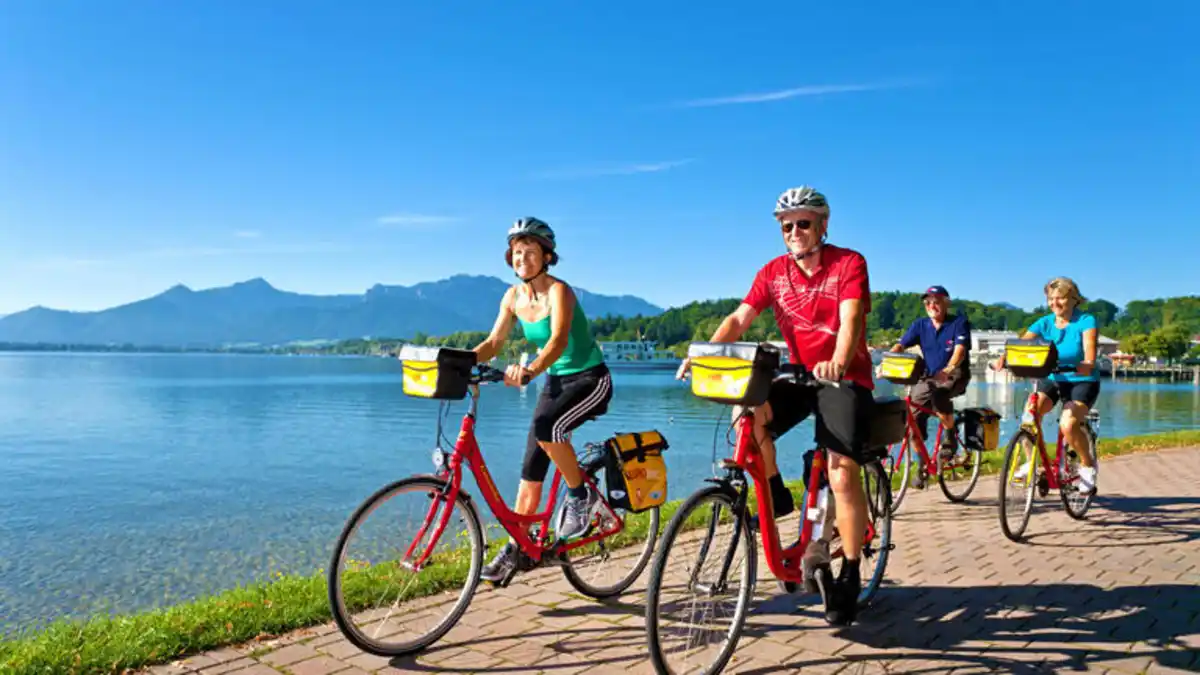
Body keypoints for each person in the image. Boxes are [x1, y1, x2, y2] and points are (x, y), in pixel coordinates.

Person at [676, 185, 874, 626]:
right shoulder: (773, 272)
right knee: (746, 412)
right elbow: (739, 318)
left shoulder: (848, 263)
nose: (795, 231)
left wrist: (839, 361)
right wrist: (705, 350)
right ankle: (776, 491)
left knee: (841, 471)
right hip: (799, 374)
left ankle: (851, 570)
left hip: (841, 377)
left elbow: (851, 318)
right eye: (787, 225)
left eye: (804, 223)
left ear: (823, 226)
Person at [472, 217, 613, 582]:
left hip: (590, 379)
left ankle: (581, 495)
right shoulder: (513, 297)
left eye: (530, 252)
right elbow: (493, 344)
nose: (523, 259)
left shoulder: (559, 292)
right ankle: (522, 545)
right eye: (517, 253)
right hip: (554, 381)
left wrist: (529, 371)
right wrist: (457, 362)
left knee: (548, 428)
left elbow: (558, 342)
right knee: (531, 465)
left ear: (547, 256)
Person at [991, 276, 1099, 494]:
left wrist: (1087, 364)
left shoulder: (1086, 320)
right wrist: (1005, 357)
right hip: (1051, 378)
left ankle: (1088, 465)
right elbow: (1021, 344)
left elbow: (1090, 350)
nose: (1055, 303)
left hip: (1081, 380)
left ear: (1073, 299)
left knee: (1068, 425)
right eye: (1051, 299)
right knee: (1029, 418)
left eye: (1060, 298)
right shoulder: (1044, 322)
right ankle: (1034, 464)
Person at [889, 285, 972, 461]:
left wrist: (948, 369)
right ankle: (922, 465)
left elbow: (960, 351)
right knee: (912, 420)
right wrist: (888, 360)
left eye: (936, 302)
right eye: (928, 303)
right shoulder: (920, 325)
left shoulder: (958, 323)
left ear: (946, 303)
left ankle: (950, 437)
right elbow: (900, 345)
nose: (931, 306)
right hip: (929, 377)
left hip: (955, 374)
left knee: (940, 396)